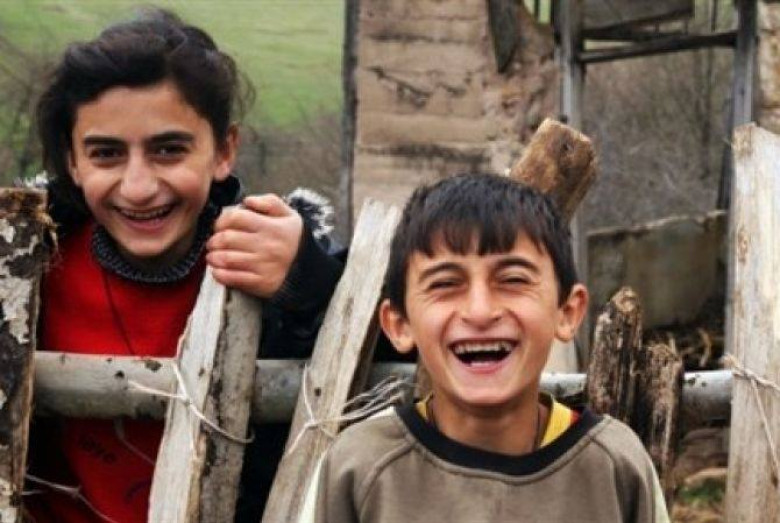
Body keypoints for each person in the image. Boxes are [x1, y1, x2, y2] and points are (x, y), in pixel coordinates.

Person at [25, 8, 343, 523]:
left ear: (223, 151)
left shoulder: (278, 264)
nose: (138, 188)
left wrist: (311, 283)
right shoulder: (27, 268)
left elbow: (400, 363)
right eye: (106, 154)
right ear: (72, 161)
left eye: (169, 150)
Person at [301, 173, 670, 523]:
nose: (480, 312)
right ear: (400, 325)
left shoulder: (614, 467)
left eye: (513, 279)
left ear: (567, 312)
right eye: (445, 284)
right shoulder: (359, 467)